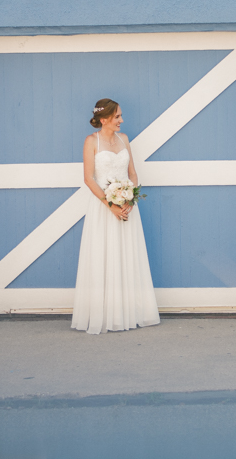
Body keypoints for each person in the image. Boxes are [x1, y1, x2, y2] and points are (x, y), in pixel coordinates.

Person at [71, 98, 160, 334]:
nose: (122, 120)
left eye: (120, 116)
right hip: (103, 210)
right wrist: (109, 204)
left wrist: (129, 199)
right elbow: (89, 178)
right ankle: (104, 314)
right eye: (117, 116)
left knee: (127, 255)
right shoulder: (91, 141)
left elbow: (132, 173)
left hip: (127, 208)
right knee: (104, 255)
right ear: (104, 119)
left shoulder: (125, 139)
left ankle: (129, 312)